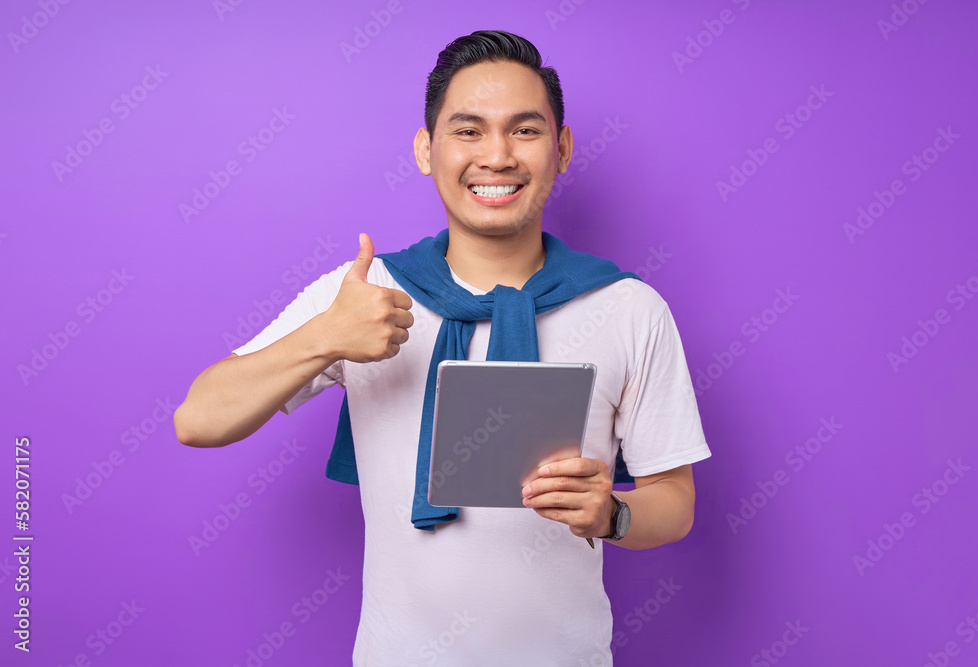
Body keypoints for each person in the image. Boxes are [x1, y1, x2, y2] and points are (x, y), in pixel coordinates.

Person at [175, 29, 711, 665]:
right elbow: (197, 420)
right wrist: (324, 338)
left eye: (526, 130)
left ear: (562, 148)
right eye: (468, 131)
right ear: (426, 150)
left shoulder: (628, 308)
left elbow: (674, 503)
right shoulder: (363, 296)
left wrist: (612, 514)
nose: (498, 155)